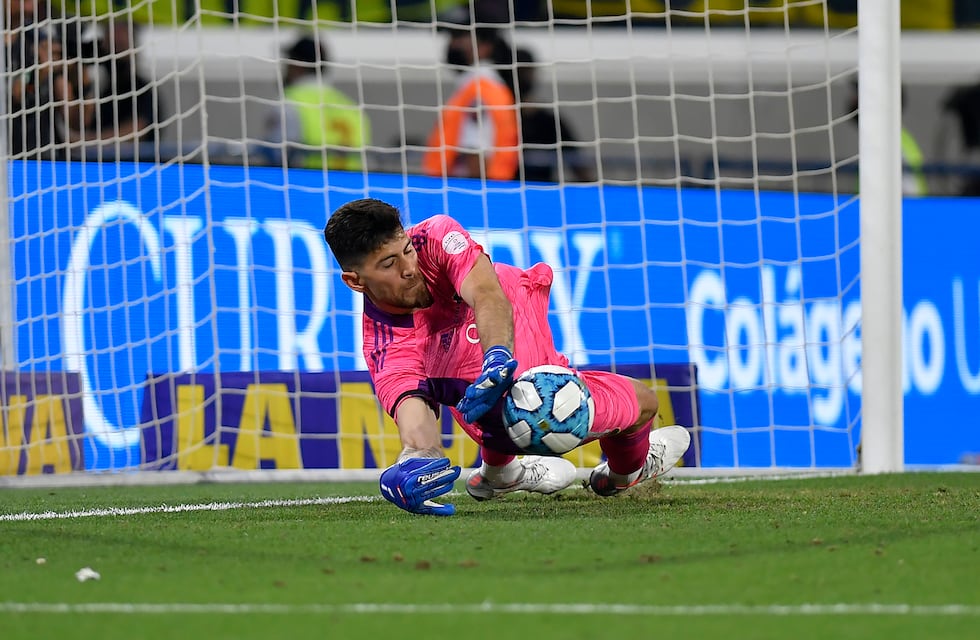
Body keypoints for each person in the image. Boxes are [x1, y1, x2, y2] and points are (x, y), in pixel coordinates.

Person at [322, 198, 691, 516]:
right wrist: (417, 461)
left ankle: (509, 475)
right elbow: (415, 422)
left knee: (523, 374)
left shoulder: (434, 236)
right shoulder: (387, 348)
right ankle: (613, 476)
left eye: (406, 250)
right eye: (388, 265)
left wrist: (497, 355)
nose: (408, 268)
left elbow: (486, 292)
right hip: (497, 408)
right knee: (625, 404)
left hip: (512, 316)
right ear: (355, 281)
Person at [421, 16, 519, 181]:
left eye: (459, 38)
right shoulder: (483, 85)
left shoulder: (480, 88)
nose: (452, 45)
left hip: (467, 189)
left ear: (484, 47)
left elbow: (476, 149)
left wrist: (472, 193)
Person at [258, 34, 371, 170]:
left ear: (296, 64)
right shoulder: (353, 109)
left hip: (306, 186)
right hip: (350, 188)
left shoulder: (289, 104)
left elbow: (277, 156)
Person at [511, 47, 596, 183]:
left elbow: (579, 165)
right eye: (519, 73)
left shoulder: (548, 121)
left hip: (540, 193)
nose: (524, 77)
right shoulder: (496, 116)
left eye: (526, 72)